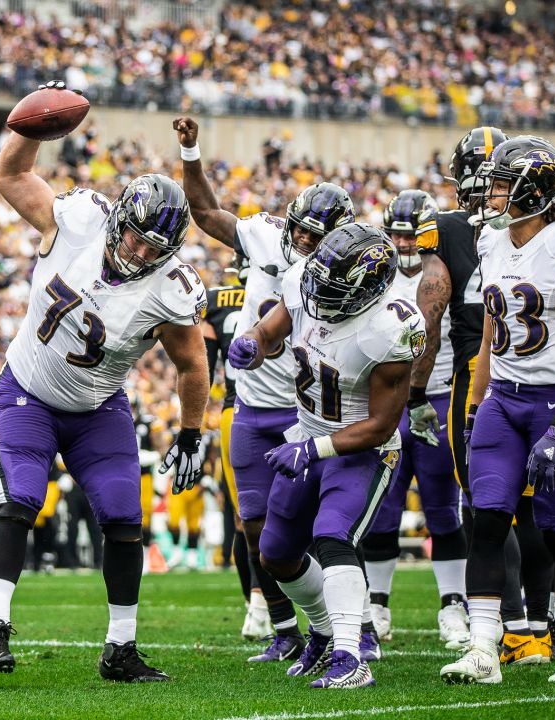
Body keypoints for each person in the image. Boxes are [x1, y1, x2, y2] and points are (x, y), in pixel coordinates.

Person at [0, 84, 209, 683]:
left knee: (124, 518)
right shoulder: (79, 220)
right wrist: (29, 128)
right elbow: (9, 175)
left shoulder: (170, 285)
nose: (140, 251)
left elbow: (191, 365)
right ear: (120, 221)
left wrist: (189, 434)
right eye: (136, 236)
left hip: (97, 405)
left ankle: (121, 648)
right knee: (20, 500)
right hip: (27, 392)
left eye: (155, 246)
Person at [174, 116, 357, 662]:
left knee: (330, 525)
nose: (302, 240)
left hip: (310, 413)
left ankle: (350, 626)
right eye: (298, 230)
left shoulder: (349, 266)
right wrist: (191, 151)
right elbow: (206, 212)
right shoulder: (266, 236)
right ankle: (285, 630)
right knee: (254, 528)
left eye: (313, 235)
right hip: (252, 409)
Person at [440, 136, 555, 684]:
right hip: (503, 400)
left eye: (499, 186)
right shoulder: (493, 244)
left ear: (533, 191)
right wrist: (476, 402)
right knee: (486, 518)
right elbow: (492, 332)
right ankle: (484, 649)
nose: (489, 196)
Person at [228, 223, 422, 690]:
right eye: (320, 282)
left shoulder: (389, 328)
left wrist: (312, 449)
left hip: (363, 450)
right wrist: (253, 345)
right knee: (275, 554)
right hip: (308, 435)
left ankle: (351, 657)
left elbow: (380, 425)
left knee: (332, 536)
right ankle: (321, 629)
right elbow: (270, 331)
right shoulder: (303, 282)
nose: (320, 296)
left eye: (334, 289)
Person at [414, 127, 554, 663]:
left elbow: (431, 313)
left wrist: (417, 392)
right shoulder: (552, 227)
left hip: (484, 367)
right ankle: (546, 624)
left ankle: (512, 625)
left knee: (485, 506)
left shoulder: (448, 230)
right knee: (543, 509)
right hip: (544, 374)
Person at [361, 191, 470, 650]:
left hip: (435, 399)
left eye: (411, 234)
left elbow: (436, 337)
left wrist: (419, 396)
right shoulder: (373, 276)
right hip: (385, 403)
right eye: (397, 233)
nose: (403, 243)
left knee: (442, 508)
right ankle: (377, 605)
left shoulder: (438, 274)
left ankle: (453, 604)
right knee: (380, 511)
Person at [201, 257, 264, 638]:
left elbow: (204, 372)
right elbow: (204, 370)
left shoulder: (216, 300)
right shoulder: (218, 302)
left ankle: (259, 606)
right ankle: (259, 602)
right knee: (251, 517)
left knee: (252, 518)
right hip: (249, 407)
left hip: (250, 410)